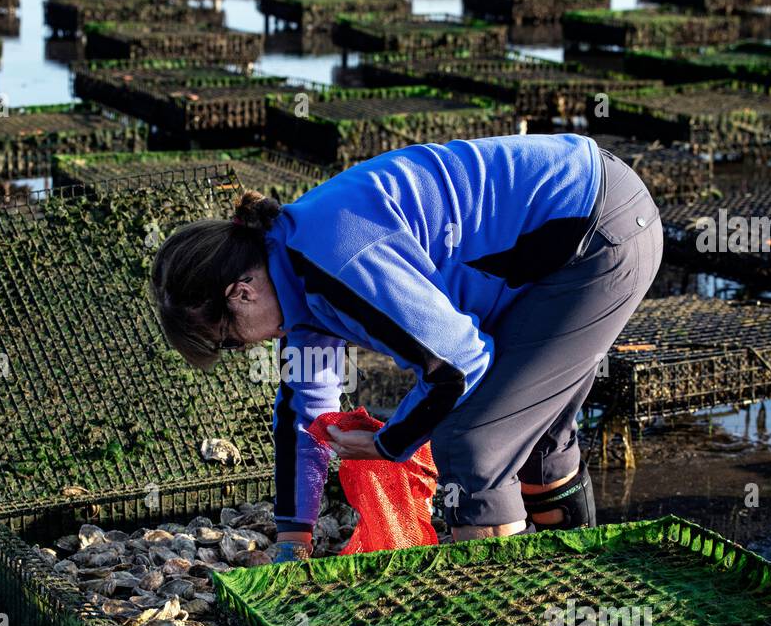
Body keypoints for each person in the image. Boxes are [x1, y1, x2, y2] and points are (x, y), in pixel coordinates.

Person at [150, 133, 662, 561]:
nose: (249, 347)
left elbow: (458, 366)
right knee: (532, 438)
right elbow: (307, 418)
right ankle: (576, 588)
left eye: (233, 342)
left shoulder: (333, 261)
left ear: (240, 294)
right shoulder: (295, 280)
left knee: (474, 444)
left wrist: (391, 443)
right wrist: (293, 538)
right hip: (571, 228)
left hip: (592, 228)